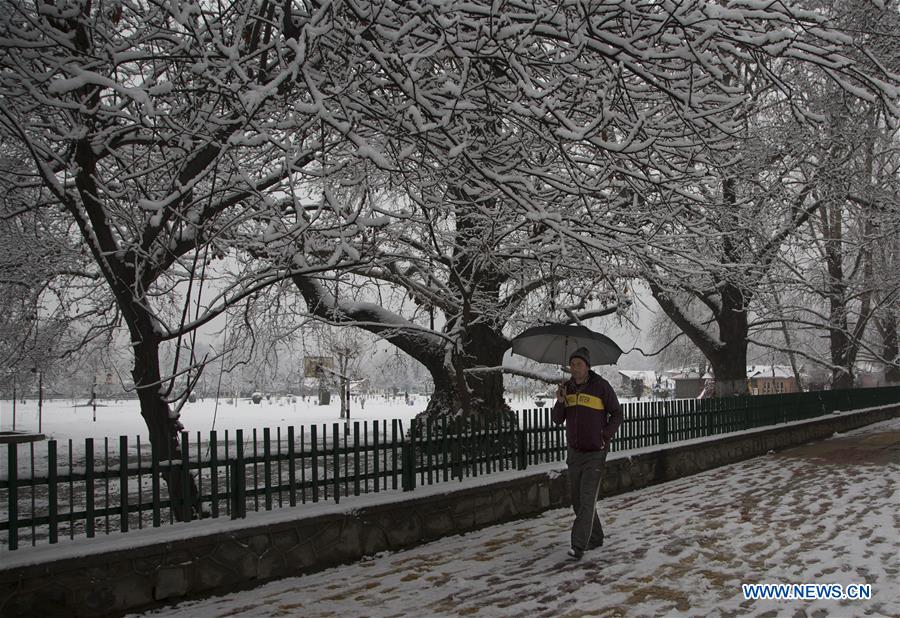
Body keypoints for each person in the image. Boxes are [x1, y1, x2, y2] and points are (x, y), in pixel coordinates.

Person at [552, 346, 623, 560]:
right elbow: (557, 419)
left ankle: (578, 545)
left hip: (595, 452)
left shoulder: (601, 386)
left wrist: (605, 435)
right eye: (572, 365)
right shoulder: (566, 388)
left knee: (586, 498)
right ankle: (596, 537)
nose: (574, 368)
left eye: (578, 364)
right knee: (578, 501)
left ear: (587, 366)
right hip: (575, 453)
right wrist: (561, 401)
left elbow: (617, 414)